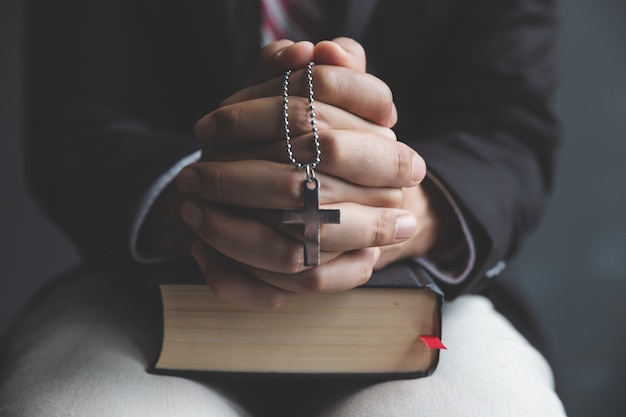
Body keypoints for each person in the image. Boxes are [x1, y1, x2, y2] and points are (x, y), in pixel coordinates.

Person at [0, 0, 567, 416]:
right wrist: (215, 196)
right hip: (147, 290)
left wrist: (394, 209)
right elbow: (78, 126)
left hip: (423, 299)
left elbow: (508, 127)